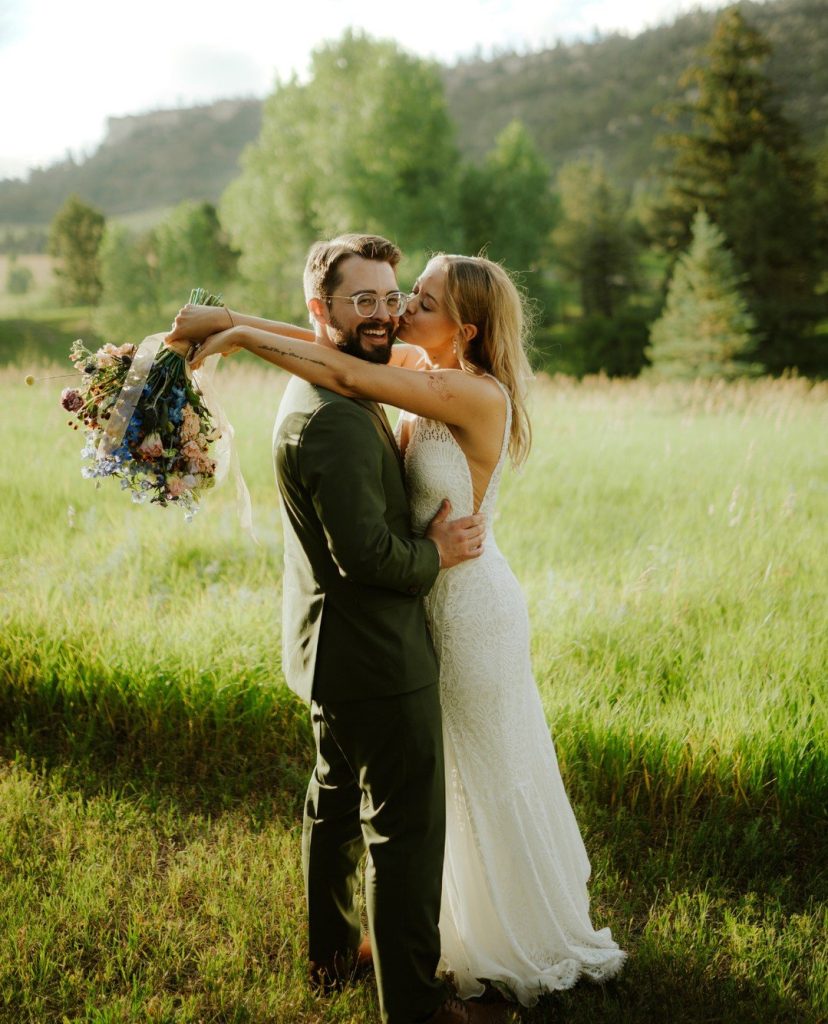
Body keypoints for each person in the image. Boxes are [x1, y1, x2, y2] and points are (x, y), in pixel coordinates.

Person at [168, 237, 625, 1012]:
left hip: (470, 608)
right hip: (419, 601)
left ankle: (516, 932)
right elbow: (327, 341)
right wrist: (231, 318)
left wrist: (239, 337)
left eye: (421, 301)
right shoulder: (417, 370)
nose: (401, 309)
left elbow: (341, 367)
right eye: (400, 294)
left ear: (466, 331)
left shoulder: (476, 395)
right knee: (424, 787)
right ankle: (442, 931)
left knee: (479, 776)